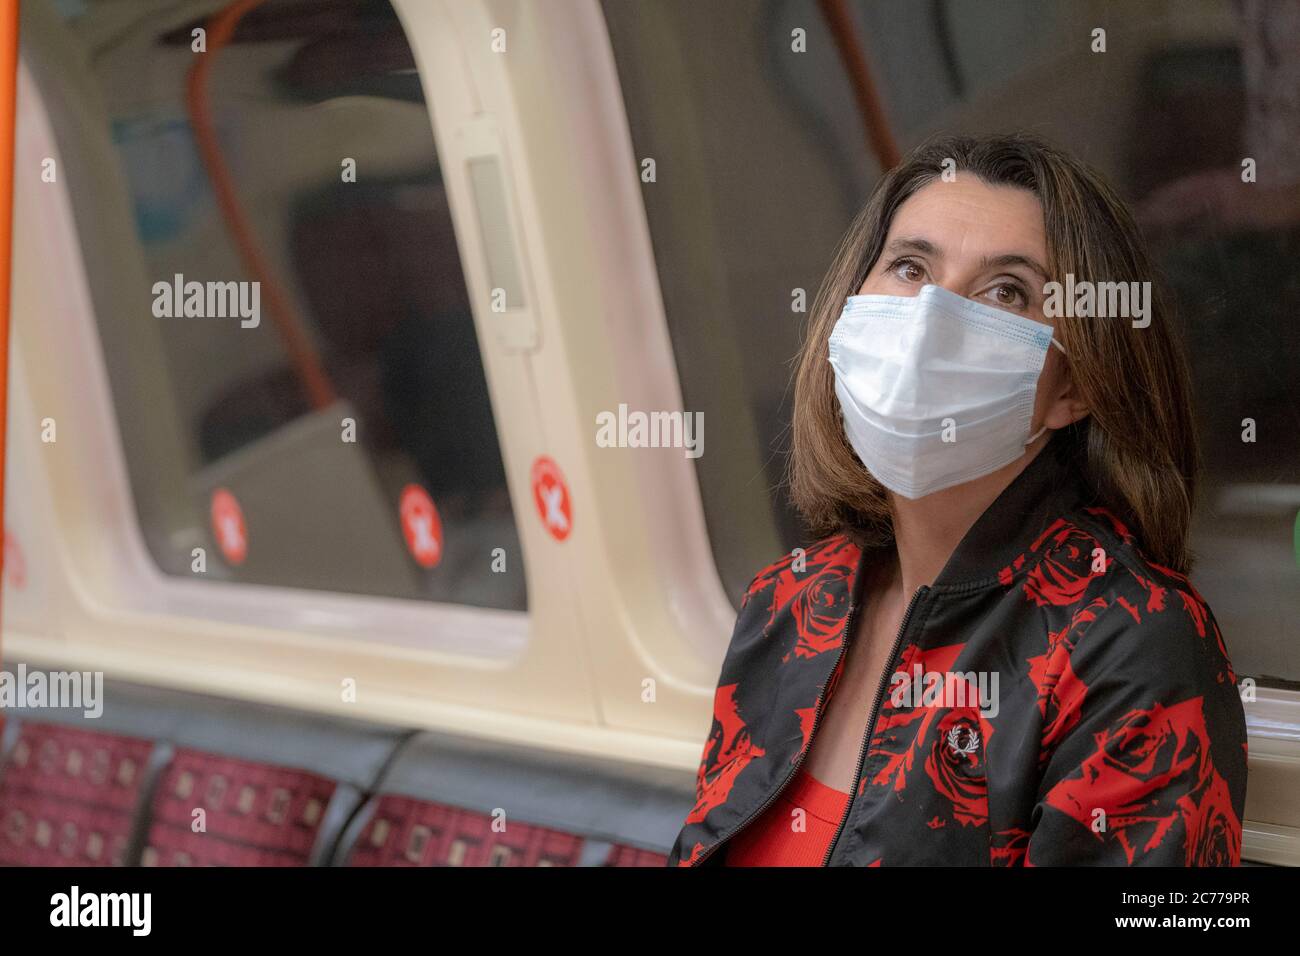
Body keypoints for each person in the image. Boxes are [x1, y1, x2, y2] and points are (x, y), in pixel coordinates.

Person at [667, 132, 1248, 867]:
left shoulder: (1133, 645)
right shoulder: (786, 602)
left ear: (1075, 385)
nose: (930, 321)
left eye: (1006, 291)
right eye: (910, 267)